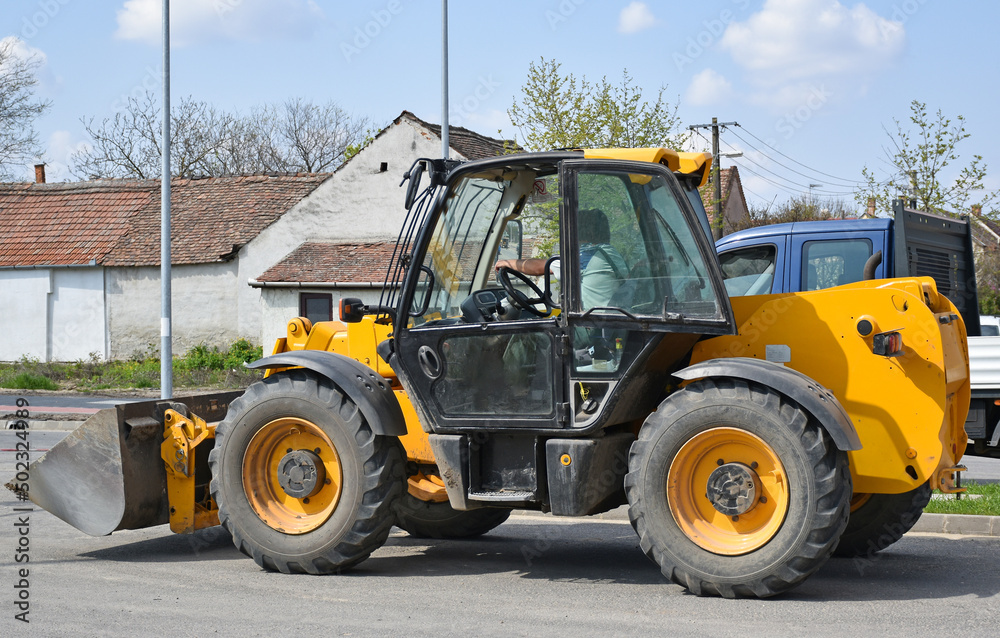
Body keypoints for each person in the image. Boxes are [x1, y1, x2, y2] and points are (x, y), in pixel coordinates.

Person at [495, 208, 628, 310]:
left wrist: (507, 263)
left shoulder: (585, 257)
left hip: (594, 327)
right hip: (611, 320)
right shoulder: (610, 252)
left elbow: (539, 267)